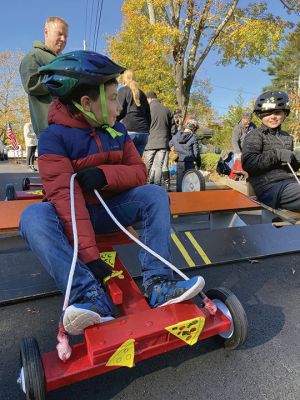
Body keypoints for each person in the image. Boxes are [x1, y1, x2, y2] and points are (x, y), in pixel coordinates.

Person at [19, 51, 205, 336]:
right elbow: (65, 200)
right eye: (113, 97)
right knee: (32, 217)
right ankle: (88, 295)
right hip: (70, 215)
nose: (120, 105)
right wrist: (91, 259)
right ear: (86, 103)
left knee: (155, 194)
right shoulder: (53, 138)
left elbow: (139, 172)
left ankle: (158, 284)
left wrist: (104, 176)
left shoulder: (116, 129)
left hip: (110, 210)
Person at [242, 90, 300, 210]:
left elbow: (291, 168)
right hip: (269, 187)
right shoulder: (255, 135)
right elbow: (248, 163)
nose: (272, 117)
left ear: (285, 114)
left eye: (277, 112)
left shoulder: (287, 136)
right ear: (260, 115)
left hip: (290, 182)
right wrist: (277, 155)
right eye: (267, 113)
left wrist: (295, 159)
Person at [19, 16, 68, 139]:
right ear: (46, 32)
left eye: (66, 36)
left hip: (69, 127)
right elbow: (31, 85)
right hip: (49, 129)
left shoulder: (65, 60)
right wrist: (61, 78)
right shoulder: (33, 56)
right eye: (60, 34)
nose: (63, 39)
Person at [143, 92, 176, 189]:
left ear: (149, 99)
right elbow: (173, 129)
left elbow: (143, 125)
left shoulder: (147, 109)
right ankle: (157, 186)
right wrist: (170, 141)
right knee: (159, 165)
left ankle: (144, 185)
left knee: (147, 165)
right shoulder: (167, 110)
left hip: (150, 142)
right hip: (163, 142)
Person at [117, 70, 151, 156]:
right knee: (137, 162)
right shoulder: (142, 94)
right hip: (143, 132)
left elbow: (119, 110)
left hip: (129, 130)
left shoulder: (123, 90)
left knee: (125, 161)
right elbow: (148, 115)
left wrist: (114, 122)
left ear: (124, 80)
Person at [169, 116, 201, 192]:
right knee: (189, 183)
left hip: (179, 162)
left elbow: (170, 144)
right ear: (193, 128)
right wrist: (199, 163)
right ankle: (188, 200)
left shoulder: (175, 136)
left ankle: (179, 198)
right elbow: (196, 152)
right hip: (189, 163)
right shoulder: (193, 137)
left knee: (179, 182)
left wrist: (175, 150)